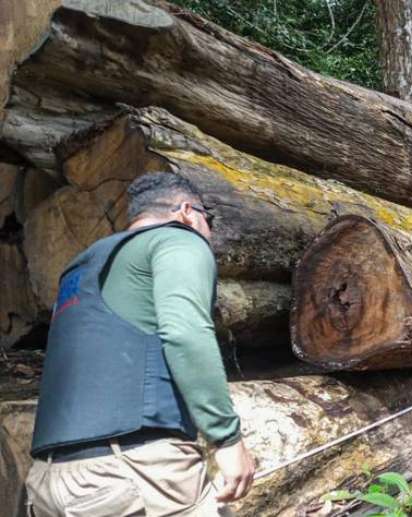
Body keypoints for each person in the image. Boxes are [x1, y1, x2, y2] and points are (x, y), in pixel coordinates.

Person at [25, 172, 255, 516]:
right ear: (187, 211)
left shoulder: (81, 267)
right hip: (135, 472)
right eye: (211, 220)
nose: (210, 233)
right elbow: (185, 332)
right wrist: (227, 438)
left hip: (45, 480)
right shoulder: (177, 240)